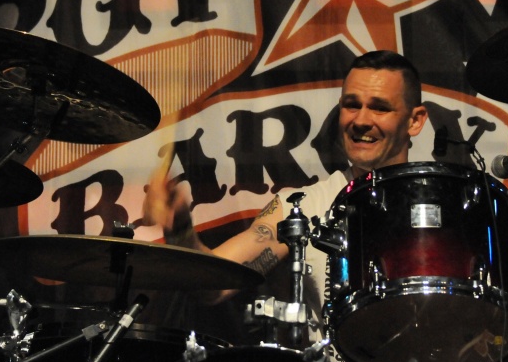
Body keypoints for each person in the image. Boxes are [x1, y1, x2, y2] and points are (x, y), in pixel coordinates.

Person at [143, 49, 428, 342]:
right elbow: (213, 288)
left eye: (380, 108)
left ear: (415, 120)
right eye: (351, 105)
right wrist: (179, 228)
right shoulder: (300, 207)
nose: (361, 120)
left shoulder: (447, 205)